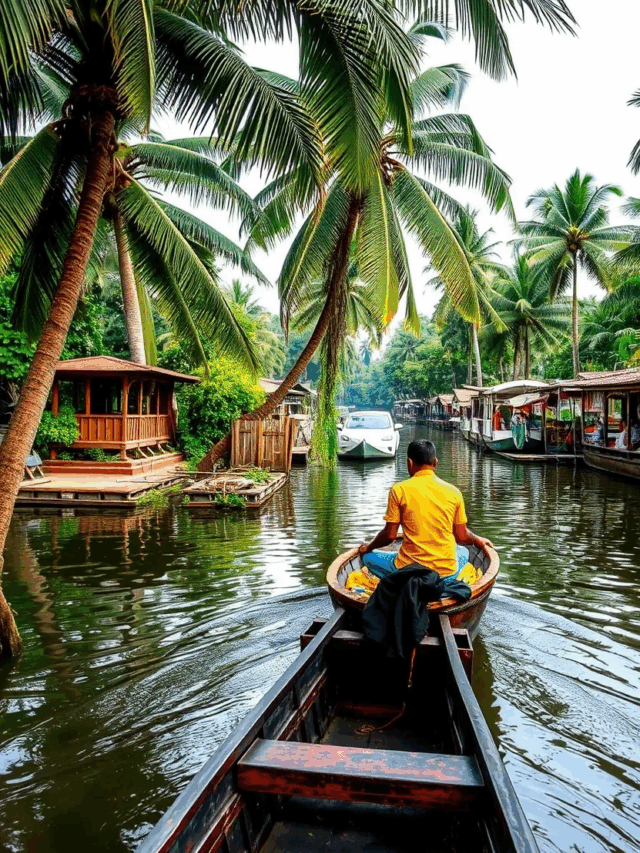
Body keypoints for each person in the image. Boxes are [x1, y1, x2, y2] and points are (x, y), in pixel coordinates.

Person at [358, 439, 493, 584]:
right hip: (445, 574)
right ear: (435, 463)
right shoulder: (454, 492)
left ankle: (402, 585)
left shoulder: (398, 490)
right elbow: (461, 536)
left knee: (367, 557)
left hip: (408, 572)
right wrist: (477, 540)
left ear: (409, 463)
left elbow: (389, 536)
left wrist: (368, 546)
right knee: (464, 551)